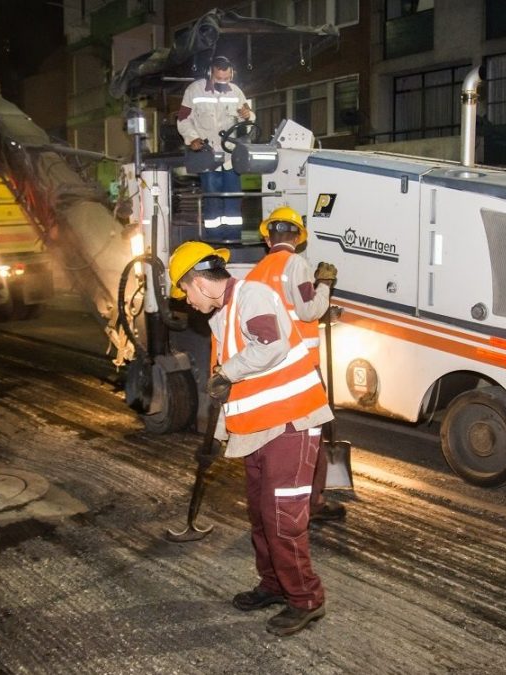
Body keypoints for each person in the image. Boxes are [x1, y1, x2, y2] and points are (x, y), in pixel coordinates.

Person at [169, 240, 332, 637]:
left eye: (184, 290)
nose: (185, 300)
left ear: (201, 282)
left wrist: (227, 372)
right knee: (260, 515)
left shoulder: (251, 295)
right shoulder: (221, 316)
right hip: (259, 431)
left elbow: (271, 346)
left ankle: (306, 599)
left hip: (291, 424)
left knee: (282, 520)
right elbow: (239, 387)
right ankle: (274, 585)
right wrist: (225, 433)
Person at [246, 206, 345, 522]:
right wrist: (325, 284)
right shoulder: (296, 264)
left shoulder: (256, 272)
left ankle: (277, 497)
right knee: (309, 438)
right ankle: (312, 502)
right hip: (303, 370)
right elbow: (307, 311)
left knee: (279, 439)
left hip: (273, 369)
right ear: (297, 238)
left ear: (267, 238)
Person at [176, 55, 254, 243]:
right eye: (219, 79)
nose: (223, 82)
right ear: (210, 72)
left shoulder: (236, 92)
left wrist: (247, 115)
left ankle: (234, 241)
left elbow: (249, 119)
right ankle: (215, 241)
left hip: (230, 157)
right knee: (213, 202)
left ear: (231, 75)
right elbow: (183, 119)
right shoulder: (194, 90)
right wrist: (193, 138)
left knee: (233, 203)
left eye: (226, 79)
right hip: (207, 155)